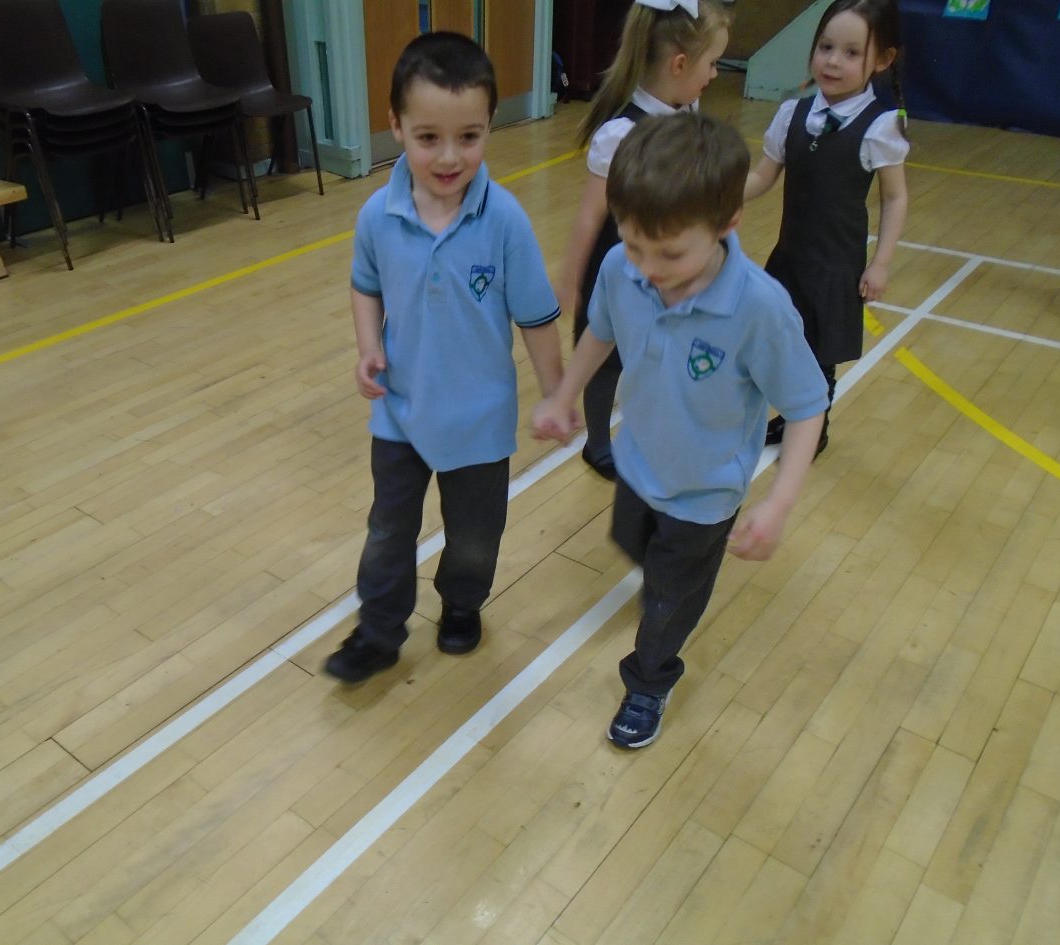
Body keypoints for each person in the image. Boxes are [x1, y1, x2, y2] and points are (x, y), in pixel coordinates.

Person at [532, 113, 829, 748]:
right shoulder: (622, 268)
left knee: (668, 601)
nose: (648, 268)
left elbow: (808, 406)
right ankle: (669, 590)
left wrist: (778, 503)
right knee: (635, 547)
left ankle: (649, 681)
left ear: (727, 223)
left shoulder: (759, 308)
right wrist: (562, 394)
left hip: (705, 492)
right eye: (635, 244)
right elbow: (601, 333)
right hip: (638, 463)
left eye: (669, 254)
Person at [325, 32, 565, 684]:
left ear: (489, 126)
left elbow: (537, 317)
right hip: (400, 411)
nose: (450, 156)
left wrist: (556, 393)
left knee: (475, 535)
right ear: (396, 126)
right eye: (429, 137)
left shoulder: (504, 220)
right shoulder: (377, 215)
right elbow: (365, 285)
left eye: (469, 136)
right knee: (388, 532)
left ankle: (462, 603)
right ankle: (378, 632)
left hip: (480, 420)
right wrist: (369, 347)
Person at [557, 0, 730, 482]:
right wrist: (571, 278)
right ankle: (597, 443)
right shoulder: (620, 135)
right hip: (621, 269)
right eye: (713, 63)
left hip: (670, 269)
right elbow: (591, 216)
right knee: (607, 359)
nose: (715, 74)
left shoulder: (688, 114)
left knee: (662, 353)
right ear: (680, 64)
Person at [744, 0, 909, 455]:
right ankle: (787, 417)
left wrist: (881, 263)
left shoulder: (880, 128)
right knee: (779, 343)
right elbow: (762, 176)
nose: (833, 61)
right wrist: (716, 200)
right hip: (790, 257)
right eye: (826, 47)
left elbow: (895, 198)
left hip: (836, 265)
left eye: (851, 53)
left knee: (820, 355)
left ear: (882, 60)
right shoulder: (791, 115)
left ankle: (814, 429)